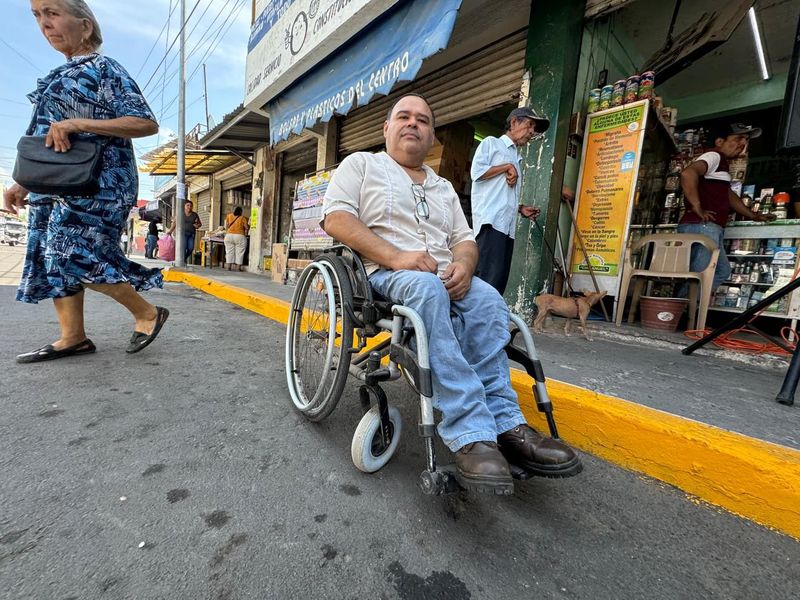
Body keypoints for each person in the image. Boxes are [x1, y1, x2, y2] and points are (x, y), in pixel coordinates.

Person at [321, 94, 580, 494]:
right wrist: (396, 256)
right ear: (386, 129)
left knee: (489, 300)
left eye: (422, 120)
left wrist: (465, 264)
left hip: (444, 276)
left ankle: (509, 426)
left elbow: (464, 240)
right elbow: (336, 219)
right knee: (426, 288)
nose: (412, 124)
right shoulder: (362, 164)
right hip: (386, 274)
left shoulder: (442, 188)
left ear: (432, 136)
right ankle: (470, 432)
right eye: (403, 117)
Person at [3, 0, 168, 363]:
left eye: (52, 12)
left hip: (101, 181)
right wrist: (24, 182)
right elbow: (49, 140)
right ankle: (72, 336)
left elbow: (144, 122)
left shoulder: (104, 67)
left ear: (86, 26)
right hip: (57, 183)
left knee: (69, 251)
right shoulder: (60, 74)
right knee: (50, 256)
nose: (44, 24)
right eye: (37, 16)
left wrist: (79, 123)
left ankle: (147, 313)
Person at [678, 123, 775, 292]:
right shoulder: (713, 156)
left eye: (745, 140)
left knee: (721, 271)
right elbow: (688, 173)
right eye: (738, 138)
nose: (742, 143)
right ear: (719, 141)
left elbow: (729, 196)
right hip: (703, 226)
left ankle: (691, 310)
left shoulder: (722, 164)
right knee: (699, 275)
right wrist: (697, 207)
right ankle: (680, 313)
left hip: (710, 227)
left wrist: (753, 215)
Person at [470, 106, 550, 294]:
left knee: (498, 282)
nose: (531, 132)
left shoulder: (516, 156)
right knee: (486, 281)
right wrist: (506, 166)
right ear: (514, 122)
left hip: (507, 228)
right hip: (491, 224)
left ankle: (490, 320)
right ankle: (477, 321)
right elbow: (477, 172)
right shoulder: (492, 144)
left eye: (534, 128)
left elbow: (501, 194)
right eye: (530, 125)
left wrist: (520, 209)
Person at [224, 206, 249, 271]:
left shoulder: (229, 216)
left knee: (229, 252)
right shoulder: (242, 218)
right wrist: (246, 233)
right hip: (239, 236)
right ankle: (238, 268)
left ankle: (228, 267)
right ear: (241, 212)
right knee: (240, 252)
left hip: (229, 236)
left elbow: (226, 226)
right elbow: (246, 227)